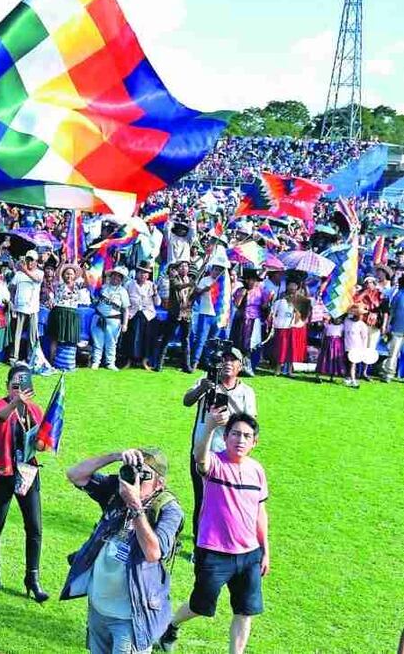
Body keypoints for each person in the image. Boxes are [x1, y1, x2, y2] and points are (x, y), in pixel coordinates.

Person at [159, 414, 270, 654]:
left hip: (250, 553)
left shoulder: (257, 471)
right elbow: (200, 456)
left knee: (245, 611)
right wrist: (209, 426)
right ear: (226, 437)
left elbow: (261, 512)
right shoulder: (214, 464)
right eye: (235, 434)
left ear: (255, 442)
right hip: (214, 552)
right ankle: (171, 625)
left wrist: (265, 551)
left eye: (247, 436)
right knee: (200, 605)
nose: (241, 440)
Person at [63, 448, 183, 654]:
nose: (135, 479)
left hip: (130, 618)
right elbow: (75, 475)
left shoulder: (168, 510)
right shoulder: (117, 490)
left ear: (159, 484)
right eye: (132, 471)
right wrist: (115, 456)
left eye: (144, 475)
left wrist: (135, 505)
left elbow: (153, 553)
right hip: (98, 608)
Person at [0, 365, 49, 603]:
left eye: (23, 387)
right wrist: (15, 402)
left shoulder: (35, 410)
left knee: (34, 527)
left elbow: (42, 443)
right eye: (14, 387)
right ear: (7, 387)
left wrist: (42, 442)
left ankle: (32, 578)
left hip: (28, 472)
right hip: (2, 474)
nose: (19, 391)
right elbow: (0, 418)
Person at [181, 346, 256, 540]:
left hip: (229, 455)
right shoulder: (205, 382)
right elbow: (186, 401)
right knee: (202, 499)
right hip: (202, 450)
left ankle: (221, 538)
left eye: (233, 360)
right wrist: (202, 388)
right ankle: (200, 542)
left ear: (240, 366)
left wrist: (229, 418)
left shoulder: (247, 392)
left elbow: (250, 424)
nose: (228, 363)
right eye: (224, 359)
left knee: (225, 501)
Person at [155, 259, 196, 371]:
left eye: (186, 266)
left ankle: (186, 366)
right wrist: (189, 284)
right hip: (175, 313)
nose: (184, 268)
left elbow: (192, 296)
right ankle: (159, 364)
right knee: (167, 338)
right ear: (178, 269)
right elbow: (178, 287)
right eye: (182, 266)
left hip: (186, 313)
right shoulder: (173, 279)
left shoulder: (190, 280)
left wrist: (199, 290)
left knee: (185, 340)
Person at [91, 266, 130, 371]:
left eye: (119, 277)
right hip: (99, 317)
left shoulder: (123, 292)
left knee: (112, 342)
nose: (116, 278)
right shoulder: (103, 287)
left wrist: (125, 324)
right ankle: (96, 362)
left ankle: (110, 363)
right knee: (97, 341)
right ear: (111, 276)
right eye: (114, 276)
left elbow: (126, 309)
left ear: (121, 279)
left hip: (114, 320)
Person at [9, 251, 44, 364]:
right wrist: (13, 301)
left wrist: (24, 270)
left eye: (32, 260)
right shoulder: (19, 274)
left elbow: (37, 279)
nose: (29, 262)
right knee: (17, 334)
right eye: (28, 259)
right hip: (20, 307)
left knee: (32, 335)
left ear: (36, 262)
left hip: (33, 308)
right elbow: (12, 287)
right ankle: (13, 357)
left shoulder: (40, 273)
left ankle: (31, 357)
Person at [124, 262, 159, 370]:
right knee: (131, 337)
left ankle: (145, 361)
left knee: (147, 338)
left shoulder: (151, 285)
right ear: (137, 273)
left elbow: (157, 303)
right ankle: (129, 360)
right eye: (141, 273)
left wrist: (155, 293)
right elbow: (125, 301)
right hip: (132, 313)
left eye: (146, 273)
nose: (144, 275)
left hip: (148, 314)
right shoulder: (129, 284)